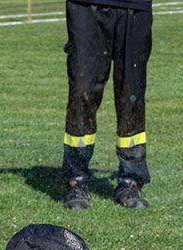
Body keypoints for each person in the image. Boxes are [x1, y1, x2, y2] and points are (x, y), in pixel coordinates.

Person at [61, 0, 153, 210]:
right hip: (85, 6)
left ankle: (130, 180)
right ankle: (77, 179)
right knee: (82, 91)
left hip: (135, 6)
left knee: (132, 95)